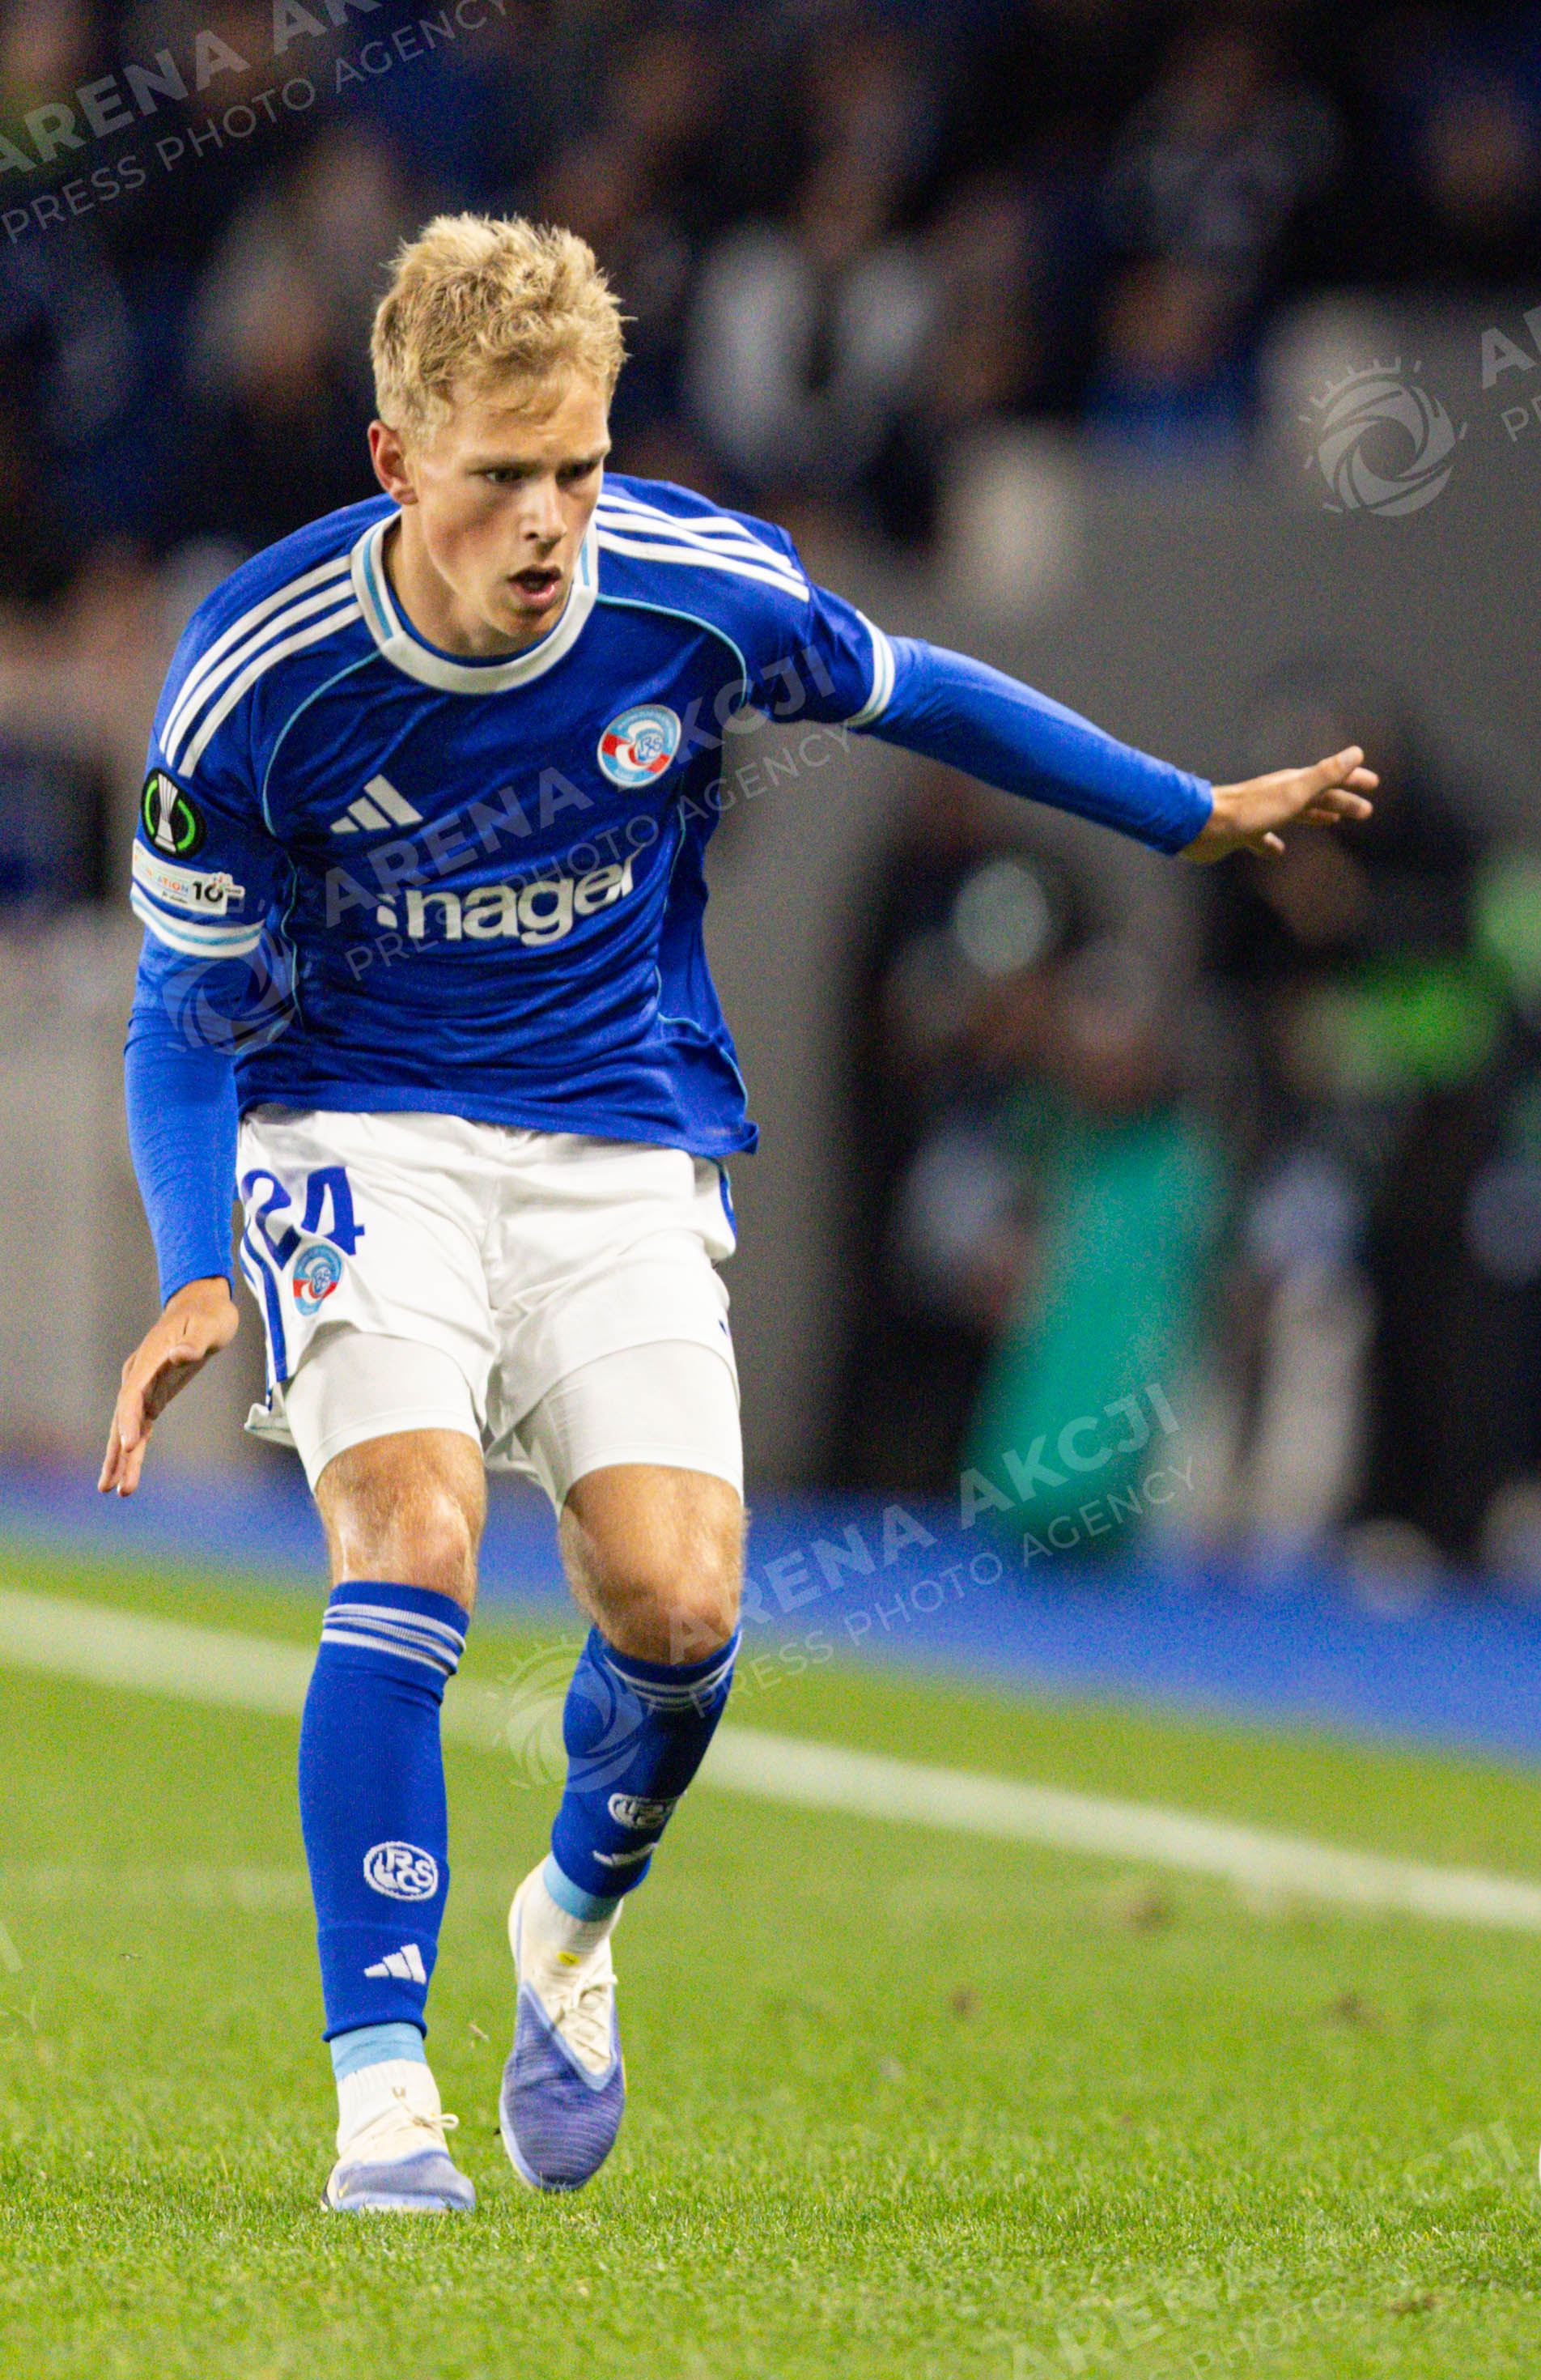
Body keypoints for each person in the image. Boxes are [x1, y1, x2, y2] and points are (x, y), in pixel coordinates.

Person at [96, 217, 1373, 2216]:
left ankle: (569, 1922)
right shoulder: (257, 673)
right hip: (357, 1126)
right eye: (500, 475)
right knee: (409, 1537)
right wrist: (195, 1264)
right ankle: (383, 2104)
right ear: (395, 460)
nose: (548, 519)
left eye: (579, 466)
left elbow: (923, 693)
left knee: (682, 1613)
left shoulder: (692, 589)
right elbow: (182, 1018)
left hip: (616, 1127)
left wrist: (1183, 807)